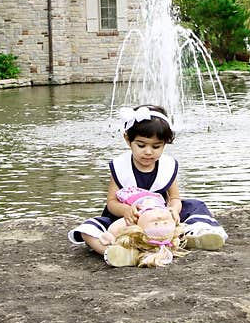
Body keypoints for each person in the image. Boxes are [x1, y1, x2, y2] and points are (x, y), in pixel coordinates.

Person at [68, 104, 228, 266]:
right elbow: (111, 202)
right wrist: (127, 211)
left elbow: (174, 197)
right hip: (129, 221)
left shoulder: (167, 166)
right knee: (89, 229)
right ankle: (115, 251)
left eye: (156, 146)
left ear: (165, 143)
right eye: (141, 145)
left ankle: (195, 235)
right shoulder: (121, 167)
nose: (149, 152)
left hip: (161, 218)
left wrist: (174, 209)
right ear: (127, 139)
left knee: (195, 205)